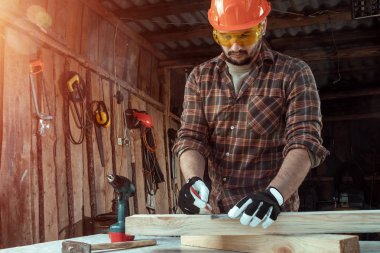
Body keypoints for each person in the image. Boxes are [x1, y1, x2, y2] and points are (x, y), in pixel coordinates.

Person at [173, 0, 329, 229]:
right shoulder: (200, 77)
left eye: (245, 35)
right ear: (215, 33)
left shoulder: (294, 73)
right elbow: (191, 138)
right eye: (226, 37)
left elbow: (304, 141)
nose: (235, 46)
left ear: (262, 26)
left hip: (273, 217)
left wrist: (275, 194)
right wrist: (193, 181)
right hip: (220, 217)